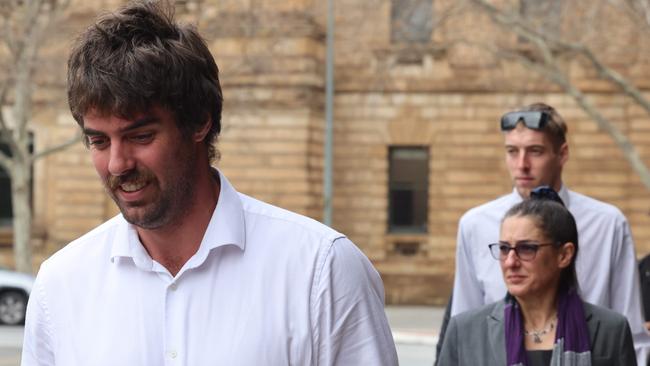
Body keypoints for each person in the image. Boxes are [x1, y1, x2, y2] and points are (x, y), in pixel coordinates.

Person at [20, 1, 399, 365]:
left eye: (141, 136)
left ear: (199, 122)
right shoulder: (61, 285)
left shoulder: (322, 269)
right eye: (98, 141)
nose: (117, 164)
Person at [448, 103, 649, 363]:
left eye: (535, 151)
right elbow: (464, 328)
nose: (522, 165)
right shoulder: (474, 224)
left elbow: (632, 335)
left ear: (562, 154)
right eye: (512, 151)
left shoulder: (607, 224)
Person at [438, 189, 637, 365]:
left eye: (526, 249)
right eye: (504, 248)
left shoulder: (610, 330)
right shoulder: (464, 331)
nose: (510, 262)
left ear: (564, 255)